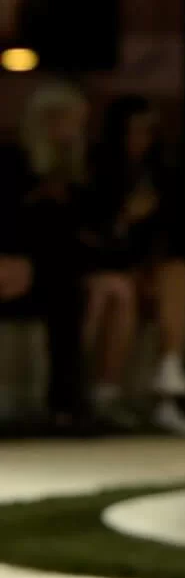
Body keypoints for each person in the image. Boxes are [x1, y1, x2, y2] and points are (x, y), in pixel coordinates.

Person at [83, 94, 185, 434]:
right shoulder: (96, 172)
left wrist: (153, 266)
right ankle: (107, 394)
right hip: (110, 266)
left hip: (150, 268)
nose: (143, 139)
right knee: (122, 290)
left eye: (149, 131)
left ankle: (169, 378)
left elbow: (179, 233)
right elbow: (91, 238)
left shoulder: (161, 176)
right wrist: (125, 219)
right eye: (135, 130)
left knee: (177, 274)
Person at [0, 80, 95, 432]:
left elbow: (75, 240)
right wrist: (11, 259)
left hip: (45, 275)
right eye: (73, 121)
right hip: (9, 268)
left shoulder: (77, 174)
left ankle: (66, 406)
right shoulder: (11, 163)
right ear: (48, 119)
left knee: (69, 293)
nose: (77, 131)